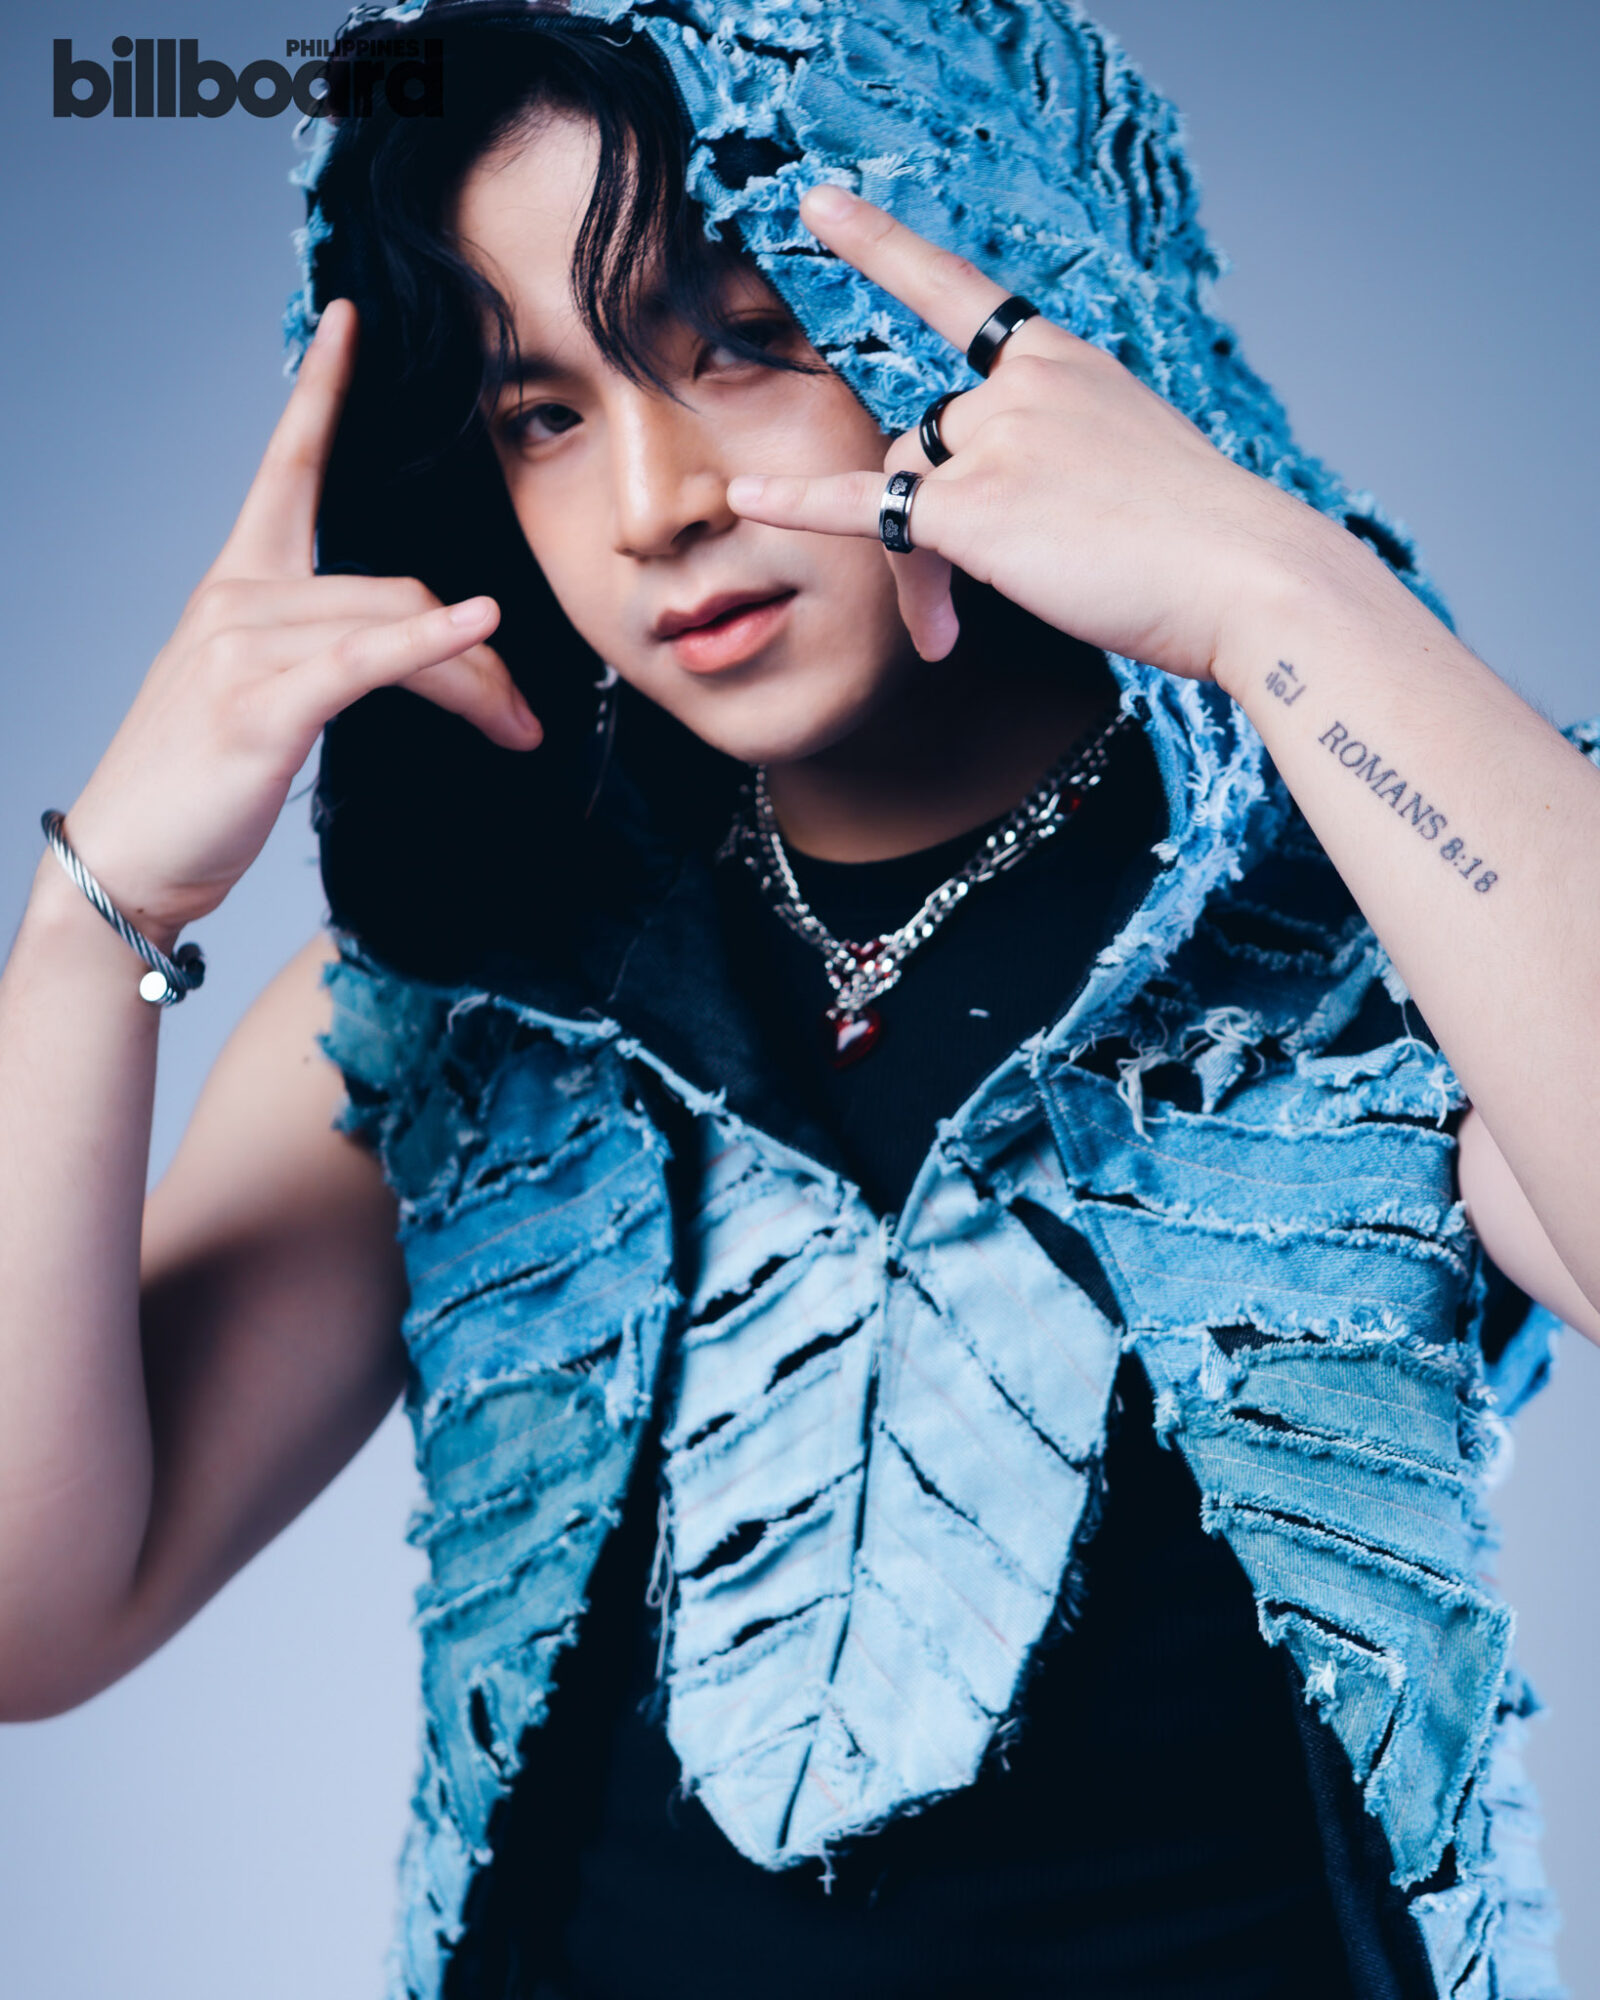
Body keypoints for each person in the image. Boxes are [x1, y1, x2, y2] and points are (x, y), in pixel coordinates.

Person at [1, 2, 1596, 1995]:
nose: (651, 498)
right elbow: (29, 1617)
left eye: (747, 336)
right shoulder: (476, 1012)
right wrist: (93, 922)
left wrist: (1277, 590)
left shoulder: (1385, 924)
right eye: (542, 412)